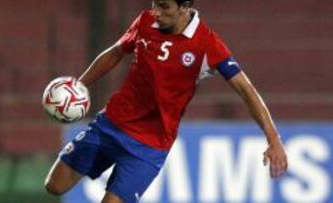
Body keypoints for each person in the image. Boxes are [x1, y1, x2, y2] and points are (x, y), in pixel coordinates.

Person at [44, 0, 288, 202]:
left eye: (164, 7)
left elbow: (246, 90)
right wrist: (79, 85)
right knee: (54, 185)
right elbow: (117, 51)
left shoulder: (208, 45)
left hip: (149, 147)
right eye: (154, 5)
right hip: (111, 125)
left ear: (185, 7)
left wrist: (273, 138)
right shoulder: (146, 21)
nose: (156, 12)